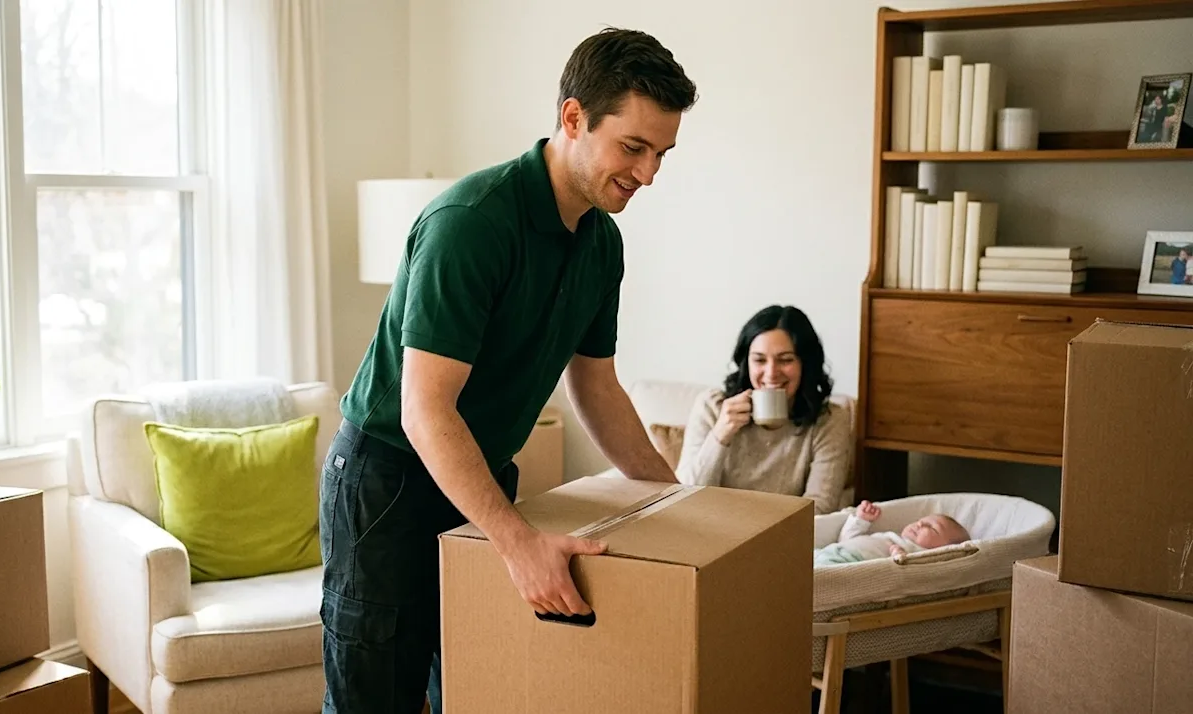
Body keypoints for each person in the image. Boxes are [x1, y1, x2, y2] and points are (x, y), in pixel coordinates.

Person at [319, 28, 698, 714]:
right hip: (388, 481)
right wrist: (518, 544)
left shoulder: (601, 244)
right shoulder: (471, 223)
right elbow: (425, 410)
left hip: (479, 473)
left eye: (661, 154)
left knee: (473, 687)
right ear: (574, 118)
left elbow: (596, 386)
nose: (648, 176)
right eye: (634, 148)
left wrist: (676, 502)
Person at [676, 305, 852, 514]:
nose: (771, 373)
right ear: (746, 363)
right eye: (759, 360)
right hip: (713, 534)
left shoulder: (829, 419)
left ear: (805, 363)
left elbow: (820, 509)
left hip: (782, 540)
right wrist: (720, 435)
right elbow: (684, 499)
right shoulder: (712, 407)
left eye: (785, 360)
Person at [813, 500, 971, 566]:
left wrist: (900, 558)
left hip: (848, 563)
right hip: (829, 550)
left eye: (932, 527)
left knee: (816, 578)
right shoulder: (891, 536)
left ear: (943, 549)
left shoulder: (920, 556)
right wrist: (860, 520)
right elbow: (846, 539)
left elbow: (905, 575)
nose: (920, 523)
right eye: (920, 521)